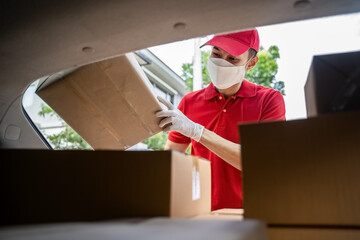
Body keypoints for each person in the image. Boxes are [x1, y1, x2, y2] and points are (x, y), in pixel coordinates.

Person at [156, 29, 285, 211]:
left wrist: (197, 131)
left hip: (251, 213)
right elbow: (169, 162)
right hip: (200, 213)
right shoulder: (190, 102)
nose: (221, 63)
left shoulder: (269, 101)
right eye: (216, 53)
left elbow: (261, 161)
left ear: (251, 63)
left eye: (233, 59)